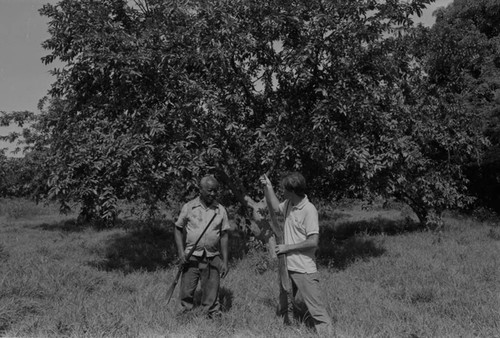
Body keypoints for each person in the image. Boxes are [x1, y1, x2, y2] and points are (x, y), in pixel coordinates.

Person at [260, 172, 333, 336]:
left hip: (303, 268)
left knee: (317, 309)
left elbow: (313, 241)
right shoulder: (288, 204)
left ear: (292, 191)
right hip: (287, 266)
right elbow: (274, 206)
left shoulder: (309, 210)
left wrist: (287, 248)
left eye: (283, 190)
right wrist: (268, 186)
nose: (282, 193)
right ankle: (286, 330)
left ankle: (327, 334)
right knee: (285, 305)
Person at [174, 175, 230, 318]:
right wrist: (181, 253)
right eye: (210, 190)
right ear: (201, 190)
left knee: (212, 288)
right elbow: (178, 228)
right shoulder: (189, 207)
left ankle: (212, 314)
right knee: (187, 289)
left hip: (212, 255)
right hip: (191, 256)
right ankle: (184, 314)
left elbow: (224, 235)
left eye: (215, 191)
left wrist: (225, 260)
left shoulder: (220, 210)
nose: (213, 194)